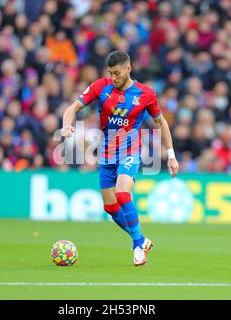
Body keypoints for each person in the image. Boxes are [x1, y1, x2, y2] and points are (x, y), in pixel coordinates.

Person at [61, 51, 179, 266]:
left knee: (122, 194)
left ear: (128, 68)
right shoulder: (101, 86)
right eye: (110, 73)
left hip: (130, 151)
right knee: (111, 208)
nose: (113, 78)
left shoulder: (146, 94)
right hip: (106, 155)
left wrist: (171, 155)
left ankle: (136, 247)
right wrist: (67, 124)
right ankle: (142, 239)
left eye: (117, 73)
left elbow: (161, 123)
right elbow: (73, 107)